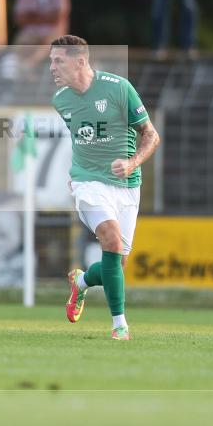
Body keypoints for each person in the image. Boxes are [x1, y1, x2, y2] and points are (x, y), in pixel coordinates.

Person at [49, 35, 160, 341]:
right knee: (110, 241)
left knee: (117, 264)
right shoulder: (61, 100)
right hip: (87, 183)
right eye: (51, 61)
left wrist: (132, 163)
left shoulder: (118, 88)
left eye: (58, 61)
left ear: (80, 61)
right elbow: (82, 139)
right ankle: (119, 325)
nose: (52, 68)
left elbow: (151, 135)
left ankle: (82, 281)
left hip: (126, 184)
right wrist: (80, 175)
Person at [13, 0, 70, 68]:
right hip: (30, 32)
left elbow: (58, 18)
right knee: (19, 44)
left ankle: (29, 65)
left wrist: (33, 16)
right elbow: (19, 18)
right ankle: (19, 73)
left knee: (49, 43)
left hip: (54, 31)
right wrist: (47, 16)